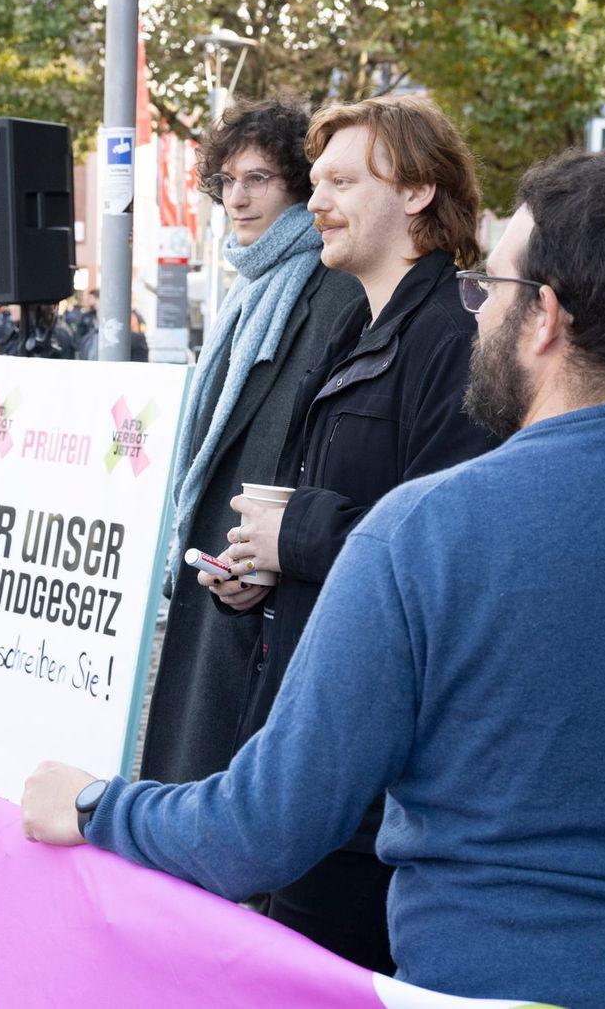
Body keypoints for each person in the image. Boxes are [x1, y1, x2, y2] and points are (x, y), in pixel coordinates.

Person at [25, 148, 605, 1007]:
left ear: (544, 317)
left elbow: (262, 828)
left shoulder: (421, 534)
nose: (474, 316)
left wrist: (100, 804)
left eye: (491, 291)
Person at [197, 95, 497, 969]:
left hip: (379, 781)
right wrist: (261, 569)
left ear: (416, 191)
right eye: (316, 180)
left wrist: (297, 538)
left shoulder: (455, 334)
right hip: (324, 750)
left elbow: (448, 545)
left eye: (340, 181)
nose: (315, 200)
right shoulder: (363, 323)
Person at [140, 96, 364, 790]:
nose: (236, 198)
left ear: (298, 184)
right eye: (227, 181)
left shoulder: (333, 286)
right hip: (223, 566)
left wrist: (261, 554)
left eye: (258, 178)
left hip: (261, 580)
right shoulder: (251, 286)